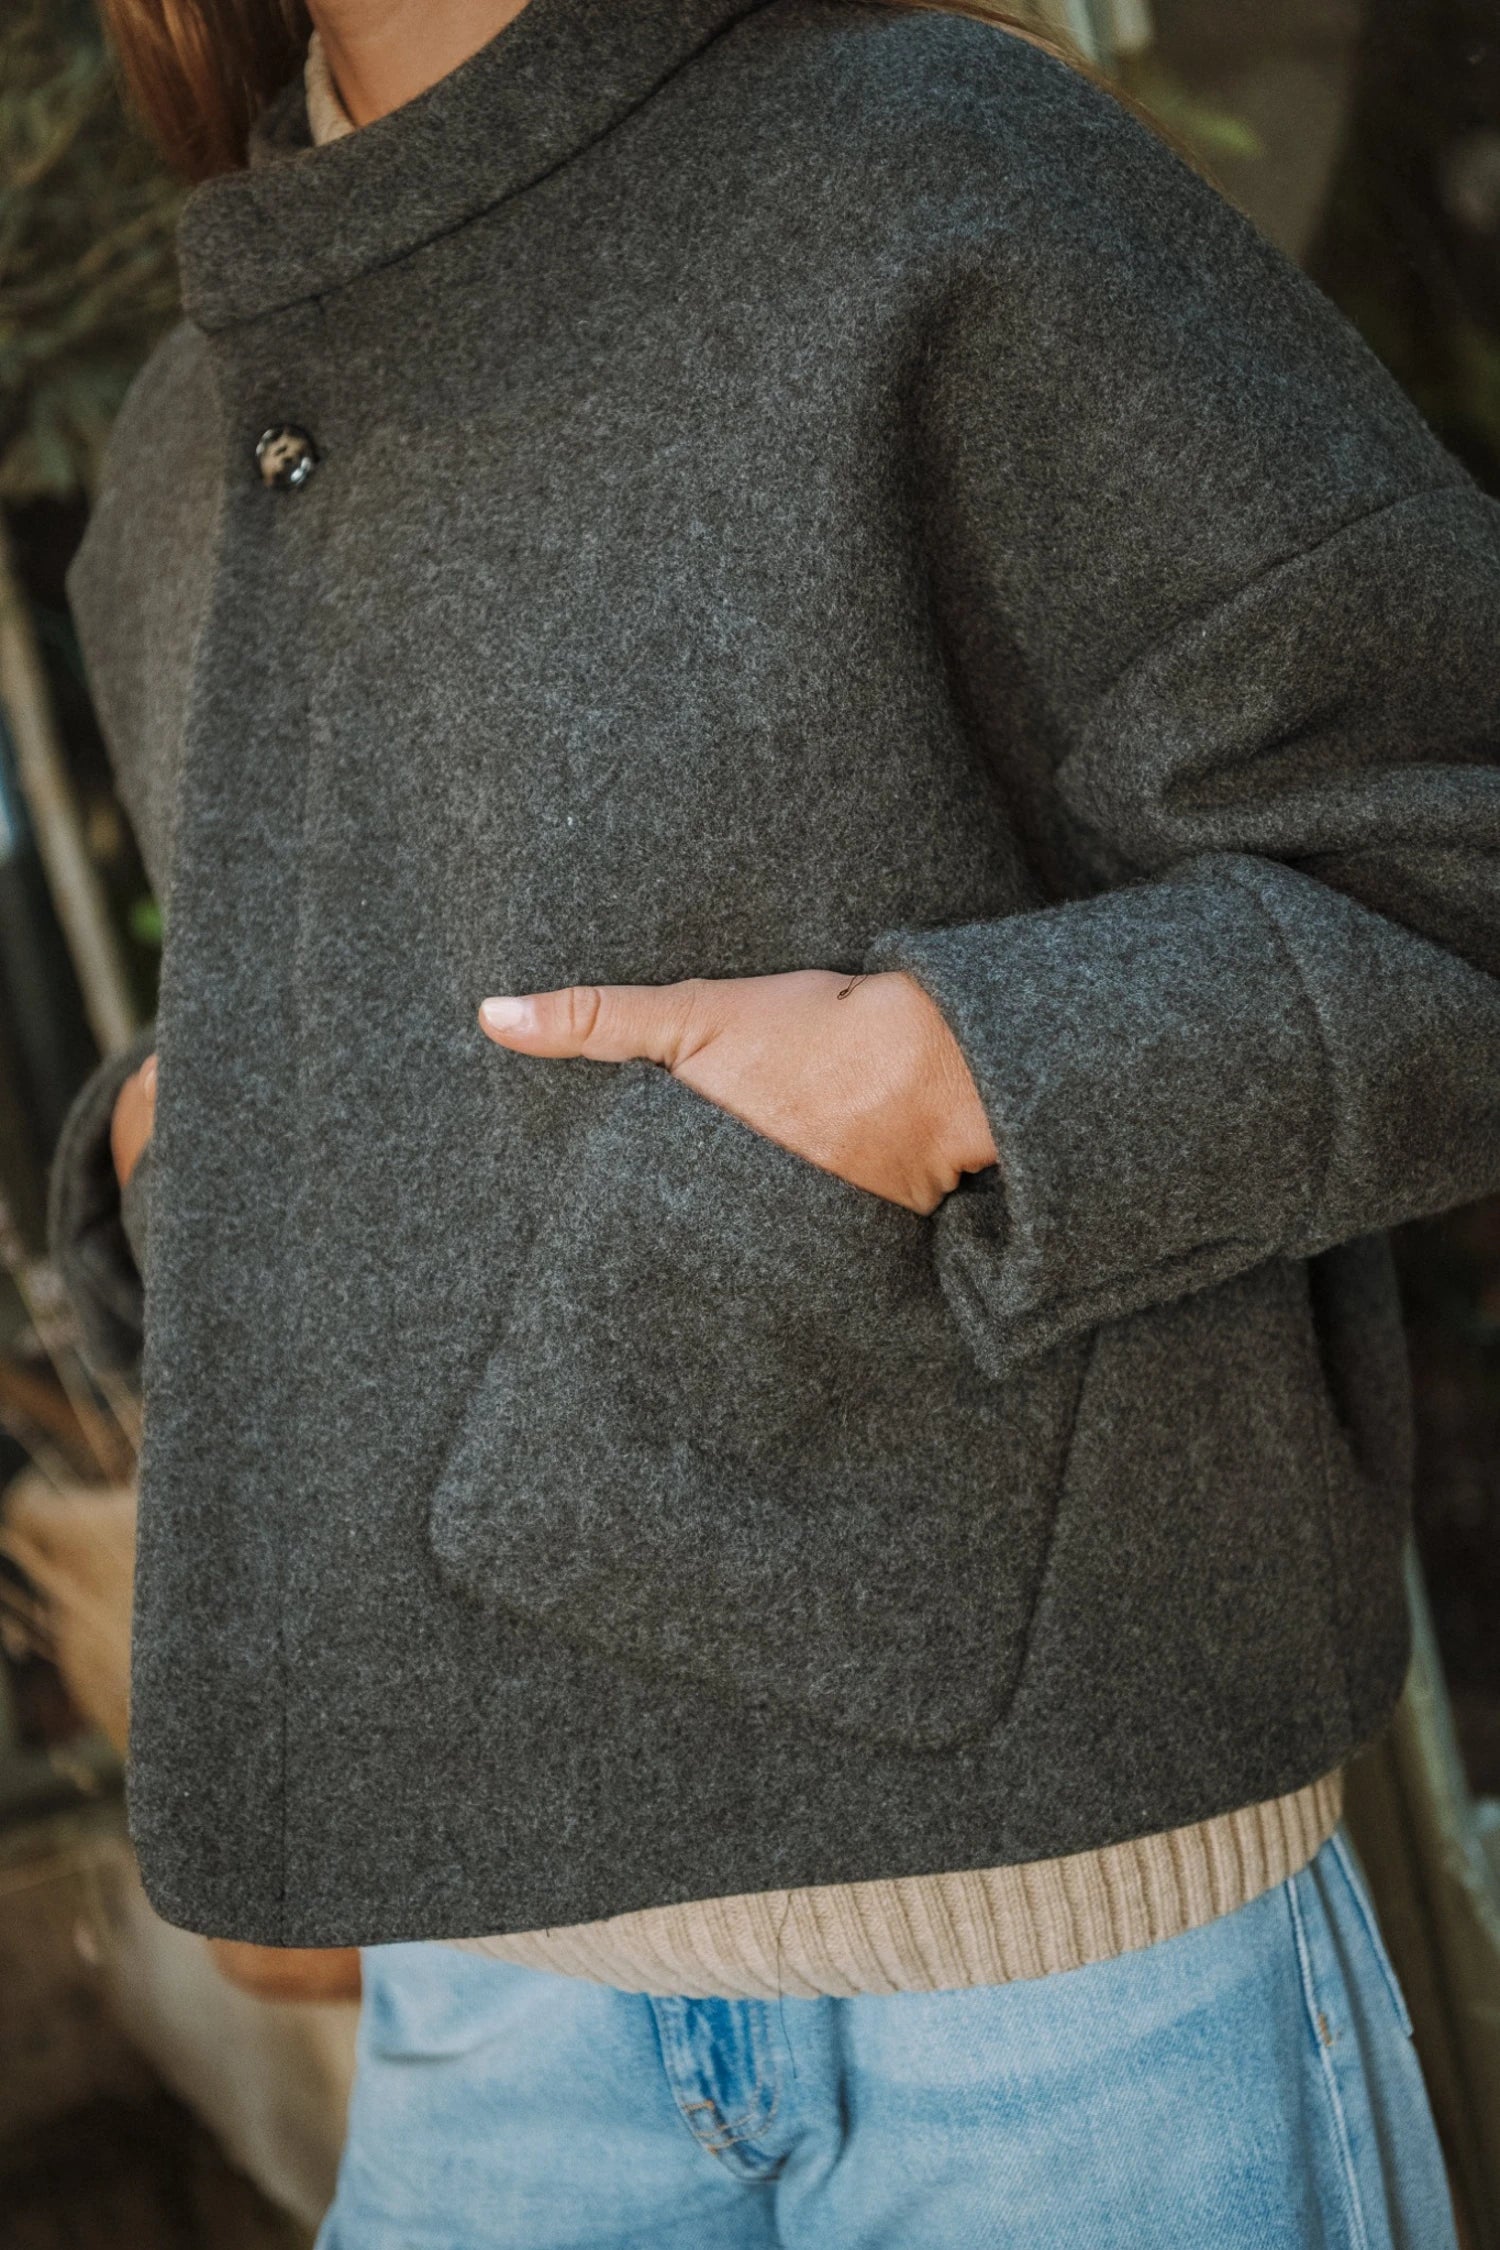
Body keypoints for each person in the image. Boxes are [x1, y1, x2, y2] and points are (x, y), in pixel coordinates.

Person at [47, 0, 1500, 2238]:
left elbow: (1453, 864)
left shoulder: (935, 169)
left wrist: (938, 1080)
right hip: (486, 2013)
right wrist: (198, 1155)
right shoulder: (179, 451)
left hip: (1056, 1986)